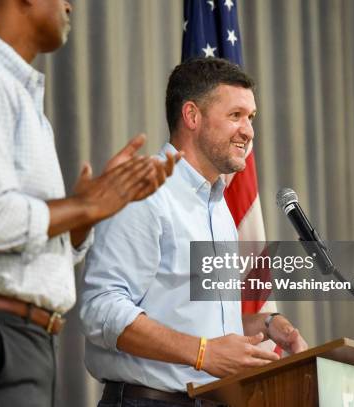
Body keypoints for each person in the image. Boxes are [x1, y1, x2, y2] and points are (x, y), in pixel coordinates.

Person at [0, 1, 179, 406]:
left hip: (29, 340)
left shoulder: (16, 92)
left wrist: (90, 212)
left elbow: (27, 248)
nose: (69, 6)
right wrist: (85, 207)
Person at [79, 57, 309, 407]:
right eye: (236, 116)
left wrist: (262, 324)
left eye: (251, 118)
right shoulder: (146, 189)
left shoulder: (218, 207)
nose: (248, 131)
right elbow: (100, 309)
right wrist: (202, 353)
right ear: (192, 116)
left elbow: (184, 317)